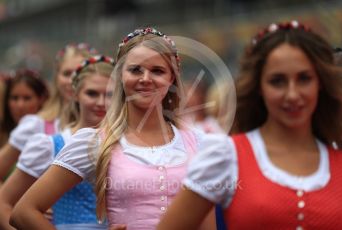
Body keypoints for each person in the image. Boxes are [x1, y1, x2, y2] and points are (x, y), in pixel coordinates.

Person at [10, 27, 216, 230]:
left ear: (172, 77)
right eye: (136, 69)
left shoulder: (199, 143)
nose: (145, 78)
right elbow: (24, 212)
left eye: (157, 70)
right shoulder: (95, 142)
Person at [157, 20, 342, 229]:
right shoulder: (226, 156)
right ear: (258, 87)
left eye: (304, 79)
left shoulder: (338, 159)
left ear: (321, 84)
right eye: (277, 81)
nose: (292, 94)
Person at [0, 55, 114, 230]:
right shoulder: (52, 144)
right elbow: (4, 202)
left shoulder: (127, 144)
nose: (101, 102)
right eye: (92, 93)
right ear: (75, 94)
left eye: (109, 94)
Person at [0, 43, 95, 185]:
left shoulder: (109, 122)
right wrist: (22, 205)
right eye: (66, 73)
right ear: (57, 78)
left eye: (79, 72)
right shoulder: (36, 124)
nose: (72, 80)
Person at [0, 69, 49, 149]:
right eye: (14, 98)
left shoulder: (50, 134)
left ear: (41, 99)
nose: (20, 105)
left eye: (27, 98)